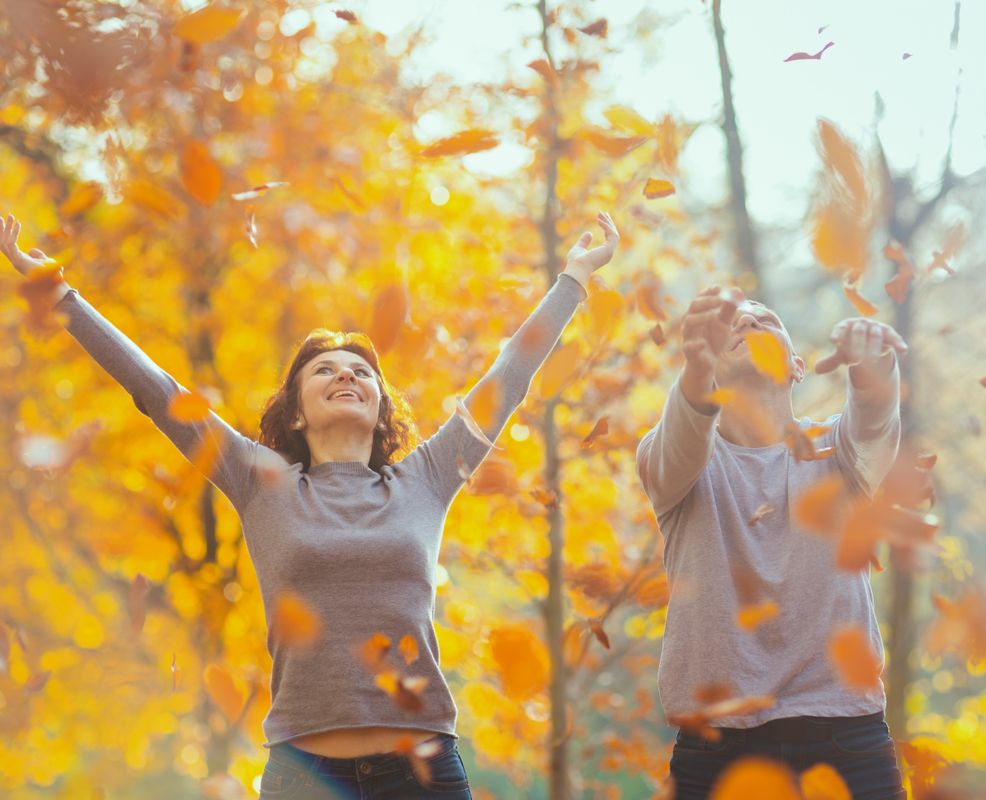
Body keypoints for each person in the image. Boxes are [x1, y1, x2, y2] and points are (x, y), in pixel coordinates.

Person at [2, 211, 620, 799]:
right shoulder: (260, 480)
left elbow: (510, 374)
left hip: (421, 771)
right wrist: (58, 296)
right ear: (297, 409)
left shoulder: (427, 477)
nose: (347, 376)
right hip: (304, 775)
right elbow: (155, 390)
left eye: (362, 372)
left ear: (380, 409)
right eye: (325, 370)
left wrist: (574, 279)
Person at [636, 285, 909, 799]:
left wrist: (874, 363)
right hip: (715, 753)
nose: (749, 321)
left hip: (848, 740)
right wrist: (695, 368)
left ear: (798, 367)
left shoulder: (838, 451)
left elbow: (874, 419)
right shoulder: (673, 463)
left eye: (765, 318)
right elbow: (682, 437)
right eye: (732, 322)